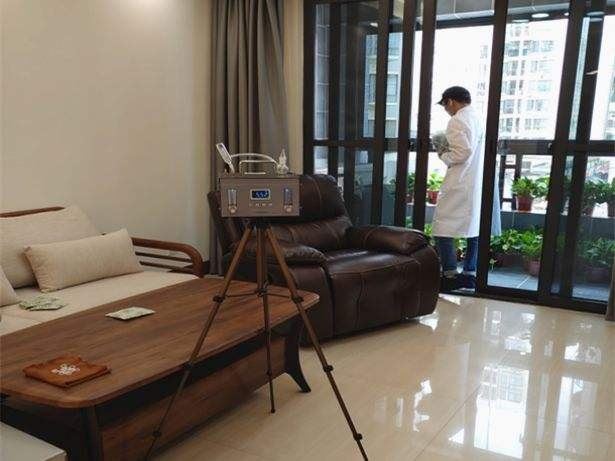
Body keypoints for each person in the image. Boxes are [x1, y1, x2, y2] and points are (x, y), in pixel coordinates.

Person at [432, 86, 485, 291]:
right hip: (473, 181)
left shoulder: (457, 120)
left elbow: (462, 153)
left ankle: (450, 275)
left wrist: (442, 153)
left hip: (459, 181)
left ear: (451, 101)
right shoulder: (477, 118)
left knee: (442, 227)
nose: (446, 110)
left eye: (445, 106)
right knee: (473, 228)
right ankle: (470, 273)